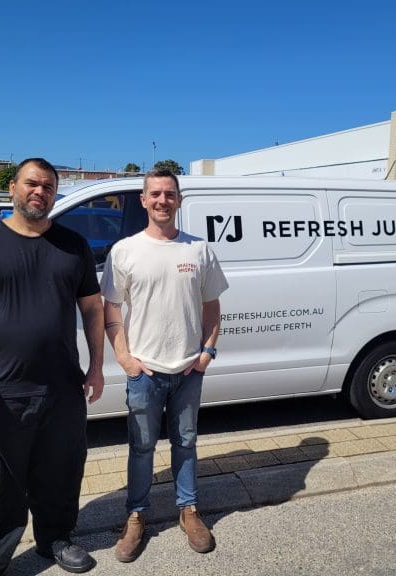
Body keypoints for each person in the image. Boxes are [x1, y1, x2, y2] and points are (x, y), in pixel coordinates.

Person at [0, 158, 105, 575]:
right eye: (32, 184)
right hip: (0, 391)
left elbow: (91, 309)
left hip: (62, 388)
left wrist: (96, 366)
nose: (40, 192)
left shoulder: (73, 246)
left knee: (62, 471)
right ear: (13, 187)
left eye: (48, 186)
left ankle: (56, 541)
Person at [102, 168, 228, 562]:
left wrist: (207, 353)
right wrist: (124, 358)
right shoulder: (125, 250)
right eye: (154, 193)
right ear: (143, 200)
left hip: (189, 370)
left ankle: (188, 511)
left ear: (179, 200)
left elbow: (213, 308)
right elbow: (111, 308)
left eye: (169, 194)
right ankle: (136, 516)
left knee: (186, 443)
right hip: (146, 373)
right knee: (140, 447)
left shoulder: (199, 250)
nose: (162, 200)